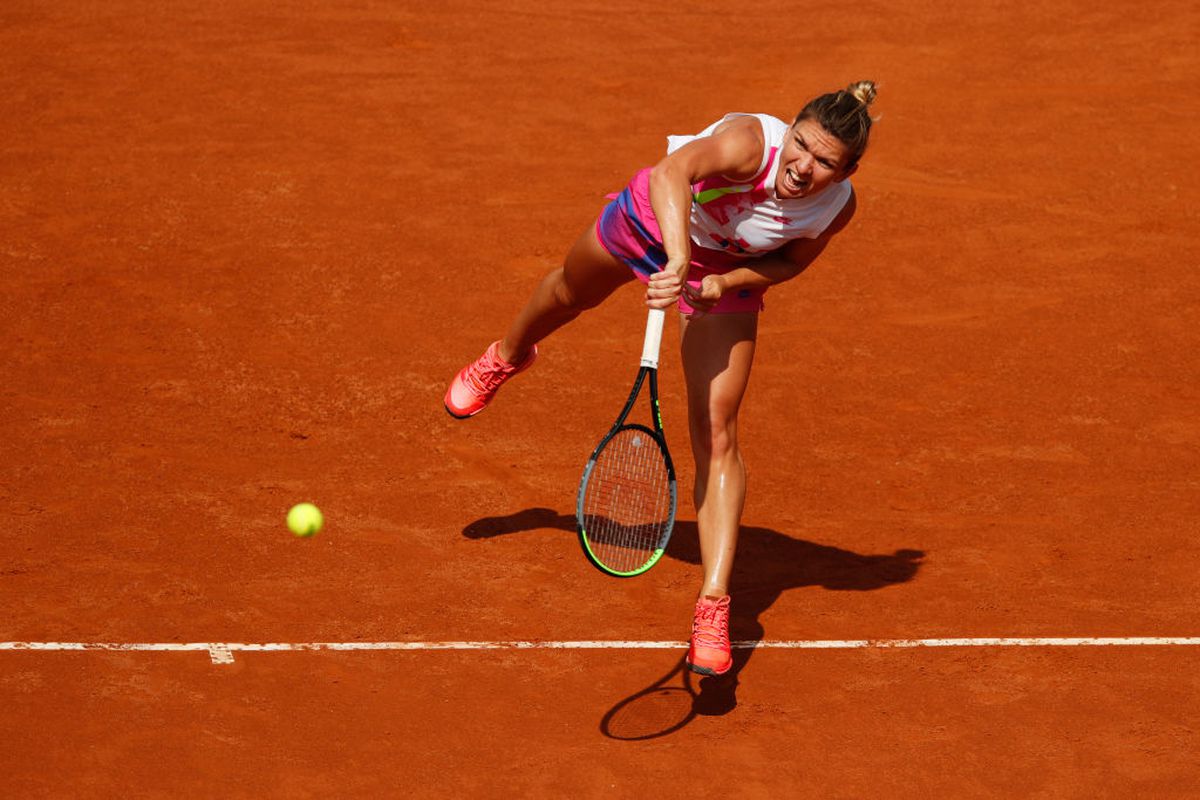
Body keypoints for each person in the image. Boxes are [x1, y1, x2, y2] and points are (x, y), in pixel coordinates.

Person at [445, 81, 878, 676]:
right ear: (790, 131)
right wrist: (677, 258)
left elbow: (789, 262)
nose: (803, 168)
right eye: (801, 146)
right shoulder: (749, 143)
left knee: (718, 432)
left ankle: (714, 601)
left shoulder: (836, 207)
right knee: (571, 292)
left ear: (848, 168)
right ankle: (510, 354)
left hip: (723, 270)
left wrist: (725, 283)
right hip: (658, 220)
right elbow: (672, 172)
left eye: (825, 162)